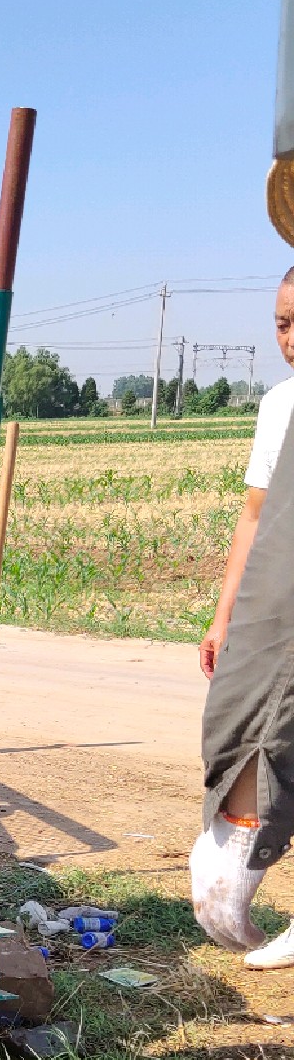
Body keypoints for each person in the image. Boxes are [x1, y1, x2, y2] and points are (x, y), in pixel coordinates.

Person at [190, 267, 294, 963]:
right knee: (257, 724)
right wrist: (226, 614)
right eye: (284, 323)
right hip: (278, 606)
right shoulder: (279, 406)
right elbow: (256, 518)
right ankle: (231, 863)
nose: (292, 338)